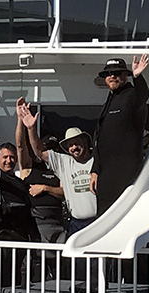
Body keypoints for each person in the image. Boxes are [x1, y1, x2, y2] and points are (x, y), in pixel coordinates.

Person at [18, 98, 96, 235]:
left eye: (77, 143)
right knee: (75, 257)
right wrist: (31, 128)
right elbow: (40, 151)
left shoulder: (97, 160)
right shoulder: (64, 162)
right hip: (76, 224)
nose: (73, 147)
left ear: (85, 142)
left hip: (99, 221)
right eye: (70, 145)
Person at [90, 53, 149, 215]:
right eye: (109, 74)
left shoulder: (132, 95)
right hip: (105, 175)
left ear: (125, 76)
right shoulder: (109, 100)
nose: (112, 76)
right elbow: (99, 139)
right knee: (103, 218)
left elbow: (143, 95)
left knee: (121, 216)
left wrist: (137, 76)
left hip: (125, 173)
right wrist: (95, 170)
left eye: (117, 73)